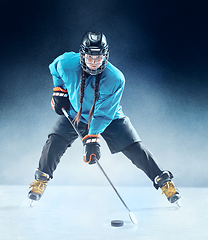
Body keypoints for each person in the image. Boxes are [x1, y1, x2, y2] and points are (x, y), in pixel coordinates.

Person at [28, 31, 181, 205]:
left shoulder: (115, 78)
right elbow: (54, 68)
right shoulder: (66, 63)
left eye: (99, 58)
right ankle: (40, 180)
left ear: (105, 56)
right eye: (90, 58)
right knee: (54, 141)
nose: (94, 63)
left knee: (134, 148)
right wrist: (59, 90)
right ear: (82, 55)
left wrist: (92, 139)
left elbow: (103, 113)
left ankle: (164, 181)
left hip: (109, 118)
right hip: (75, 113)